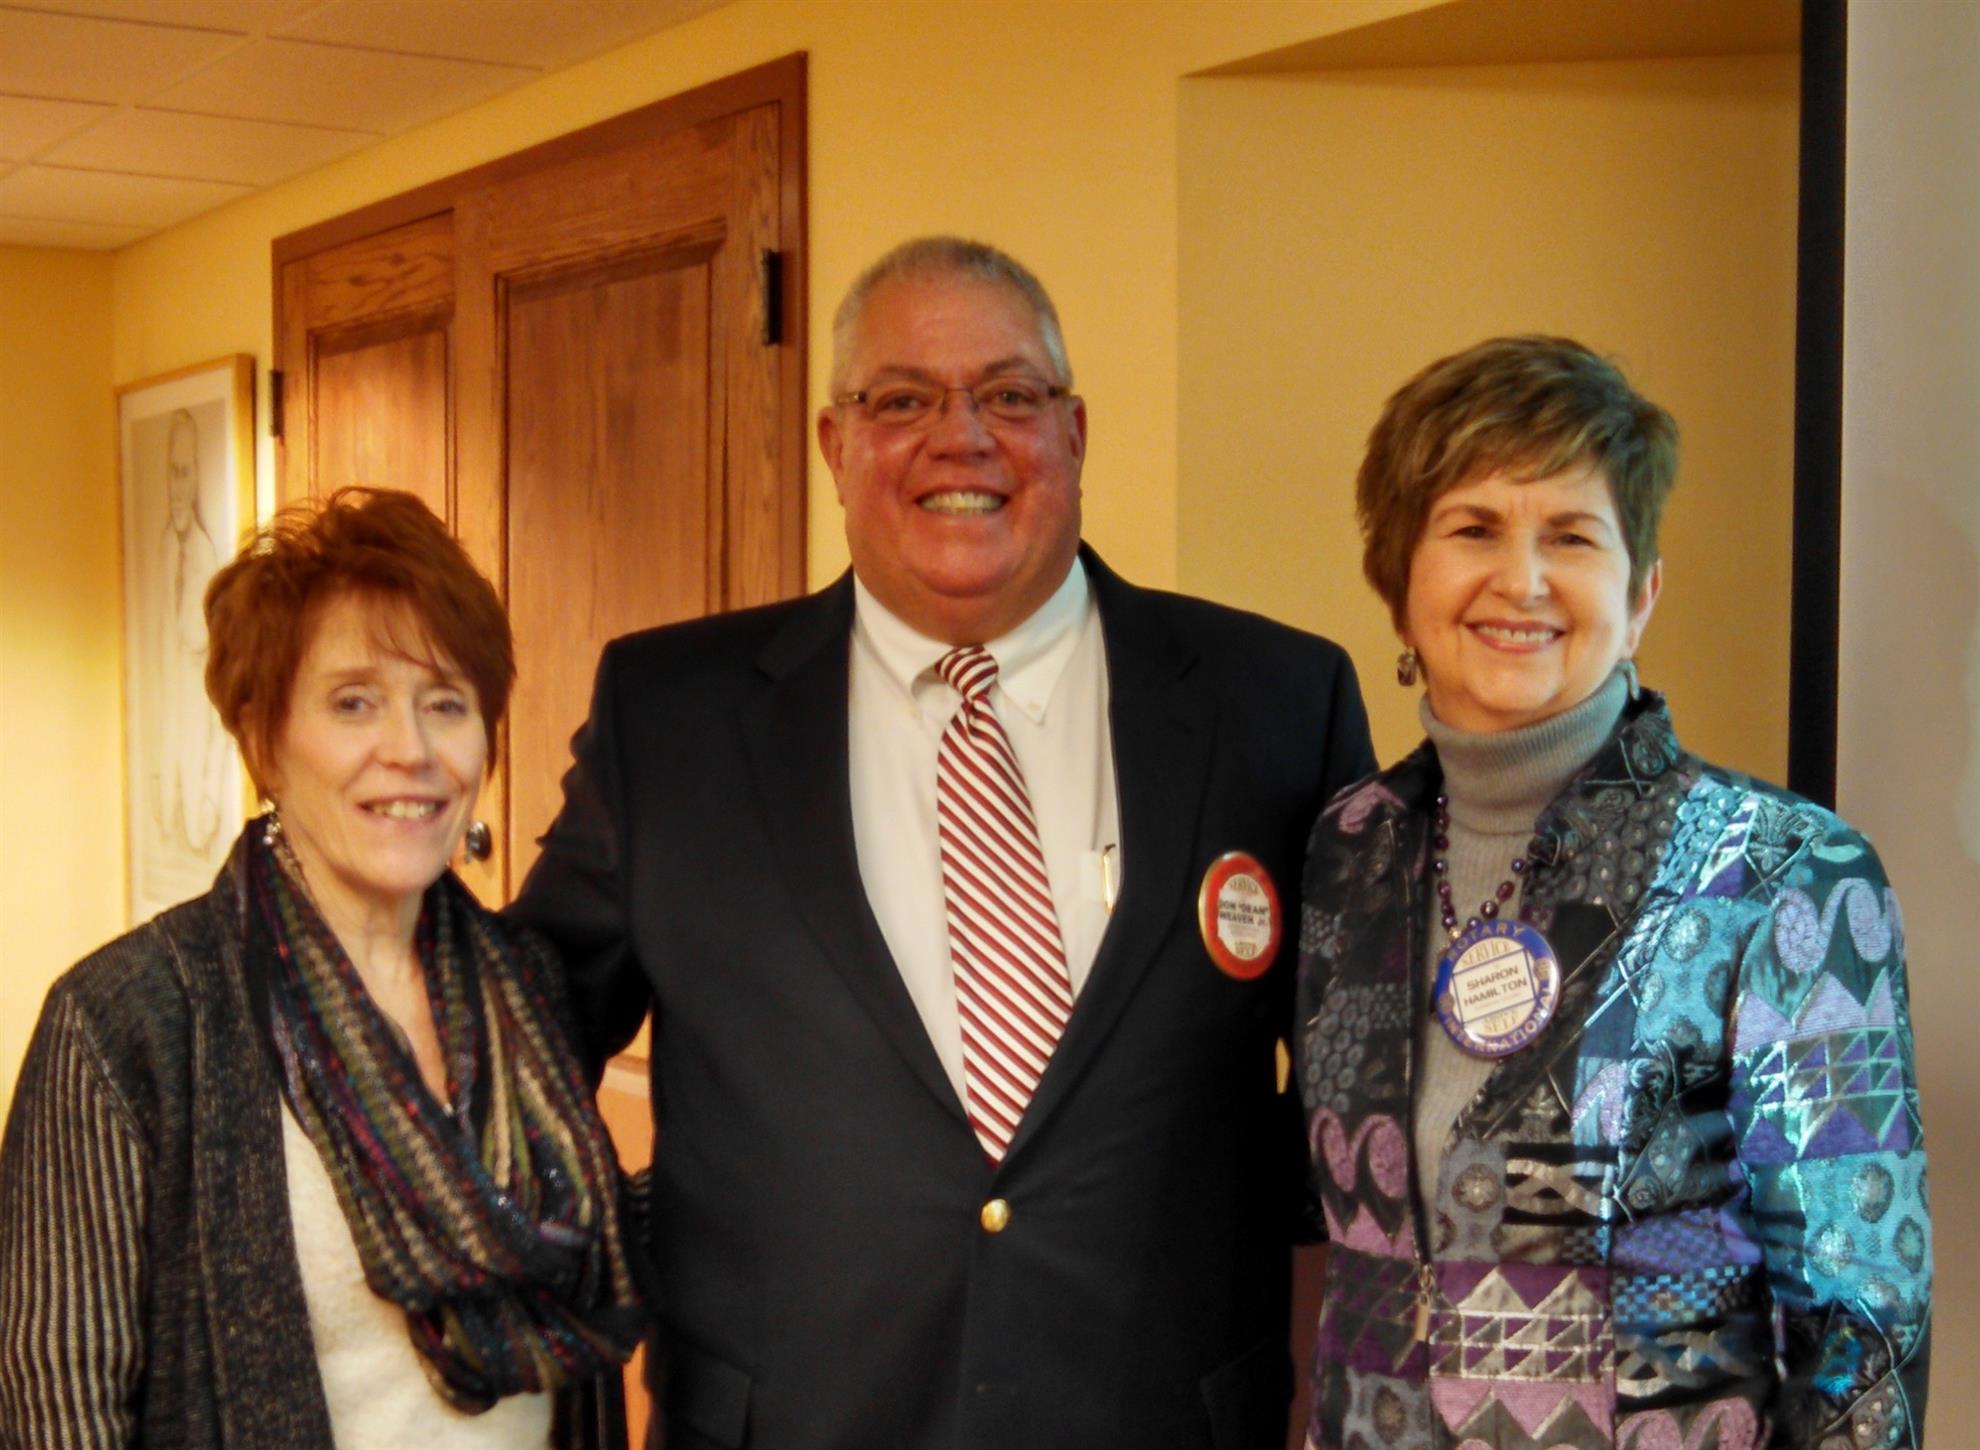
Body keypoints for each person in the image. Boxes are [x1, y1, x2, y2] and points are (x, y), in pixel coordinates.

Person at [510, 236, 1375, 1448]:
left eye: (1010, 396)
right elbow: (520, 1038)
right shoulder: (672, 717)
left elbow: (1365, 1080)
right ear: (834, 444)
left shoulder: (1275, 701)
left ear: (1075, 432)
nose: (960, 438)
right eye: (902, 400)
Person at [1295, 337, 1930, 1449]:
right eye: (1473, 529)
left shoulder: (1786, 875)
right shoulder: (1350, 853)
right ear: (1398, 585)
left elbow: (1863, 1336)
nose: (1522, 580)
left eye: (1572, 536)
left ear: (1640, 595)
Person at [0, 489, 642, 1448]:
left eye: (445, 704)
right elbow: (58, 1403)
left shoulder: (527, 988)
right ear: (264, 739)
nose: (411, 751)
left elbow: (592, 1253)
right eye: (354, 703)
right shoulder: (126, 1022)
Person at [152, 407, 227, 857]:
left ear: (197, 477)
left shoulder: (204, 556)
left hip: (198, 718)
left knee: (198, 834)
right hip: (169, 713)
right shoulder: (165, 547)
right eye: (171, 473)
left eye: (185, 473)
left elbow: (193, 636)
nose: (177, 488)